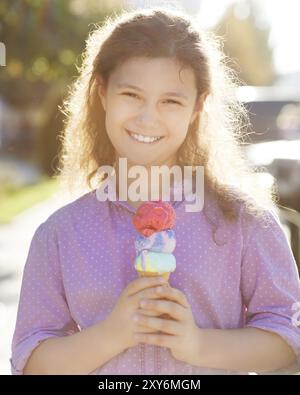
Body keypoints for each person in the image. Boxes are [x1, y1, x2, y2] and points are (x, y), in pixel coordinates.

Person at [11, 6, 300, 375]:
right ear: (102, 92)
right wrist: (111, 335)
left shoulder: (245, 222)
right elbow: (31, 360)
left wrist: (197, 344)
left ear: (198, 106)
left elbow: (289, 339)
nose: (148, 118)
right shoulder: (59, 235)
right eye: (131, 95)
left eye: (171, 101)